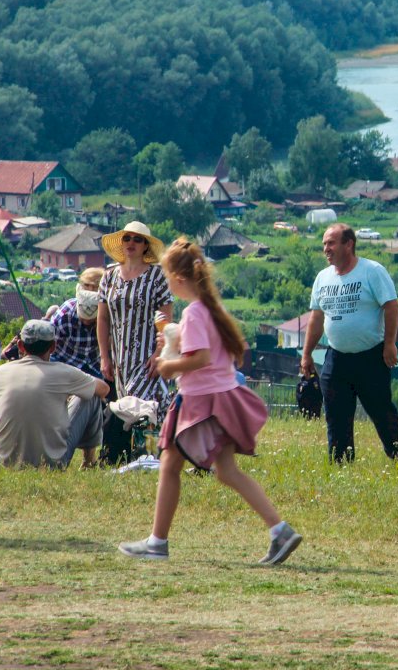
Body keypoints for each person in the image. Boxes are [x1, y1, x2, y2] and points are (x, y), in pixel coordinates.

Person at [119, 238, 301, 565]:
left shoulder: (195, 314)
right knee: (222, 471)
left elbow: (200, 358)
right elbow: (214, 354)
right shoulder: (211, 310)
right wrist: (172, 342)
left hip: (200, 401)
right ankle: (279, 530)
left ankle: (158, 543)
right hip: (221, 397)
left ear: (177, 278)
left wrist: (167, 365)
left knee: (173, 465)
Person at [300, 223, 398, 463]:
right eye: (324, 244)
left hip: (371, 357)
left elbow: (391, 306)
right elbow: (316, 317)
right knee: (336, 415)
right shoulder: (323, 278)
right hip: (336, 358)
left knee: (381, 411)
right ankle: (341, 462)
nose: (326, 249)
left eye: (331, 243)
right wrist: (306, 355)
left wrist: (390, 344)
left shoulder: (372, 271)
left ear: (349, 244)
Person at [97, 221, 172, 464]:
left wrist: (159, 352)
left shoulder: (157, 276)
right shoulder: (108, 277)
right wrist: (104, 356)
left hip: (147, 354)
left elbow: (166, 318)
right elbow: (103, 319)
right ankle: (129, 455)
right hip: (120, 356)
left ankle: (147, 454)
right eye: (127, 238)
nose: (131, 243)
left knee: (141, 404)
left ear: (145, 246)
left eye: (137, 239)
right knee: (125, 406)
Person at [0, 319, 110, 469]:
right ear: (53, 347)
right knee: (91, 396)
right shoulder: (64, 372)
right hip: (51, 464)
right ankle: (89, 461)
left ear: (20, 345)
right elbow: (103, 389)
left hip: (3, 463)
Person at [50, 285, 106, 468]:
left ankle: (88, 457)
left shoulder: (104, 316)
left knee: (94, 397)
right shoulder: (63, 317)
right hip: (63, 362)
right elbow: (49, 348)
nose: (89, 324)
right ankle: (60, 448)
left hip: (91, 365)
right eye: (85, 320)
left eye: (92, 321)